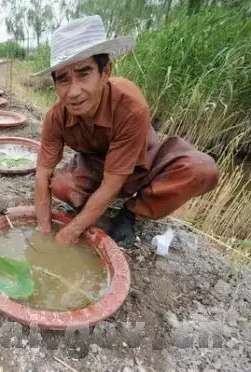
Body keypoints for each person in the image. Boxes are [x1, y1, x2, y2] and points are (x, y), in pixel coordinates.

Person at [34, 15, 219, 246]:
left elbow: (113, 183)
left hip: (143, 162)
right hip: (97, 166)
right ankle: (88, 206)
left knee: (202, 170)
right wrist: (42, 230)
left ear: (105, 72)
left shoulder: (130, 106)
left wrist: (69, 233)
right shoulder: (56, 117)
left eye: (84, 74)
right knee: (62, 185)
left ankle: (131, 213)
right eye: (63, 80)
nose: (73, 92)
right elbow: (42, 173)